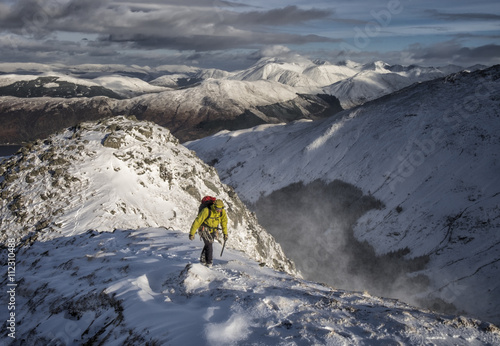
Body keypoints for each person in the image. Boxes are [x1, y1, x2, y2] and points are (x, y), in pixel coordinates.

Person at [189, 199, 228, 267]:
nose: (219, 210)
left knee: (208, 244)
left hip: (213, 230)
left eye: (220, 208)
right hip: (204, 229)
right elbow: (198, 221)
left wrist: (225, 233)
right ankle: (209, 262)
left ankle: (203, 259)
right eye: (217, 208)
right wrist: (192, 233)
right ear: (214, 206)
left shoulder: (222, 212)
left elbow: (224, 222)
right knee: (209, 244)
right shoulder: (206, 211)